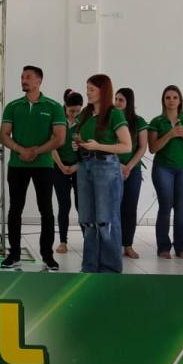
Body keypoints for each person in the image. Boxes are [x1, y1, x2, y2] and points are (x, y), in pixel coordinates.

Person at [0, 66, 66, 270]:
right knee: (15, 209)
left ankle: (48, 255)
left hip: (44, 165)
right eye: (22, 77)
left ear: (39, 81)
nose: (23, 80)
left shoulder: (54, 106)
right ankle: (14, 254)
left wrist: (36, 151)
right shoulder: (13, 106)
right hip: (17, 164)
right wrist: (21, 150)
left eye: (28, 77)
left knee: (46, 210)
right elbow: (4, 135)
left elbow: (60, 138)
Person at [73, 75, 131, 273]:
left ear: (103, 90)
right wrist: (79, 144)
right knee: (87, 220)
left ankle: (110, 268)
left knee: (106, 220)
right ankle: (89, 266)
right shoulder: (85, 113)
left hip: (106, 167)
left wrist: (99, 146)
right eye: (87, 88)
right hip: (85, 166)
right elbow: (82, 137)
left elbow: (126, 146)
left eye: (92, 89)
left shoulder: (114, 114)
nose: (88, 92)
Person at [148, 85, 183, 259]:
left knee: (181, 208)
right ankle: (163, 247)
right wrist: (170, 135)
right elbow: (153, 148)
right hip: (163, 168)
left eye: (175, 97)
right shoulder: (157, 121)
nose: (171, 101)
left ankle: (182, 247)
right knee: (165, 207)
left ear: (180, 100)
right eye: (168, 97)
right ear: (163, 101)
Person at [114, 87, 148, 259]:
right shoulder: (110, 119)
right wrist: (119, 165)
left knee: (130, 207)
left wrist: (128, 167)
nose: (117, 103)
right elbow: (106, 144)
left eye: (121, 100)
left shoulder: (138, 121)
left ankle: (128, 245)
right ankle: (114, 245)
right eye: (116, 99)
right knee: (114, 208)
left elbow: (142, 147)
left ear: (129, 102)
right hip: (112, 168)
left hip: (132, 170)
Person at [53, 90, 82, 255]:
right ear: (65, 106)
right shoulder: (58, 121)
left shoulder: (84, 122)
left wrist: (77, 165)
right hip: (59, 167)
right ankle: (63, 241)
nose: (74, 114)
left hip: (79, 168)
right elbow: (52, 147)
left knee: (81, 205)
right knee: (64, 205)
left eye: (78, 111)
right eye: (71, 111)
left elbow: (88, 149)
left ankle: (88, 239)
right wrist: (62, 166)